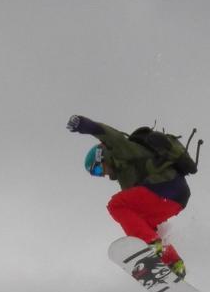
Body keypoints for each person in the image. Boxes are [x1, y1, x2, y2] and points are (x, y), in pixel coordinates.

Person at [67, 114, 197, 277]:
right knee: (146, 224)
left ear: (103, 157)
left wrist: (84, 125)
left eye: (98, 169)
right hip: (176, 197)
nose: (103, 175)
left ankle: (150, 245)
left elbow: (109, 135)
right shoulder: (125, 179)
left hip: (166, 186)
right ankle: (174, 263)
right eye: (97, 174)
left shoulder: (121, 152)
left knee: (116, 205)